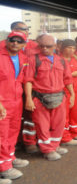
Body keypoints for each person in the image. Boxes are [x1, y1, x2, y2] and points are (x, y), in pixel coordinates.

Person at [24, 34, 74, 161]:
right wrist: (29, 98)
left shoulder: (61, 60)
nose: (45, 48)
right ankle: (47, 150)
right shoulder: (33, 59)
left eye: (49, 46)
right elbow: (28, 80)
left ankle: (54, 146)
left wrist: (72, 95)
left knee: (58, 124)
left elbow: (67, 79)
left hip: (59, 96)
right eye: (42, 46)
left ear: (55, 46)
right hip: (40, 98)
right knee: (42, 125)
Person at [0, 32, 29, 181]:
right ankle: (3, 167)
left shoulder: (23, 58)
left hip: (16, 101)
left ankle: (9, 158)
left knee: (13, 131)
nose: (15, 43)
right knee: (1, 135)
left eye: (19, 41)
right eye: (13, 40)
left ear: (24, 44)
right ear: (7, 41)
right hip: (2, 102)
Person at [60, 40, 77, 146]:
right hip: (65, 90)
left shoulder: (75, 59)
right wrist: (72, 74)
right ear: (63, 48)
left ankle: (74, 133)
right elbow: (58, 75)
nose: (72, 50)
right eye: (69, 47)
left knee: (76, 113)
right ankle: (65, 137)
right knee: (64, 115)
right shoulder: (59, 60)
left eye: (73, 48)